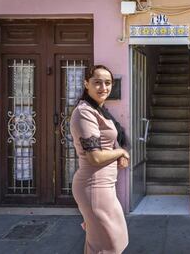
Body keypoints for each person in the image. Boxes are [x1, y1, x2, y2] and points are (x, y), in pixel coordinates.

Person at [70, 64, 129, 254]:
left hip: (105, 187)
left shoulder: (99, 109)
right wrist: (120, 153)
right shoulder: (84, 112)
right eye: (97, 83)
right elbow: (95, 156)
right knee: (109, 246)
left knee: (101, 244)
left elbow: (110, 140)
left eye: (108, 83)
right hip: (94, 187)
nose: (103, 87)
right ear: (86, 84)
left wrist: (119, 150)